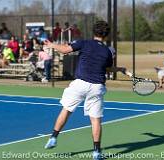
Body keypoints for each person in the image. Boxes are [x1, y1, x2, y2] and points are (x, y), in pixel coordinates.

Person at [44, 20, 127, 160]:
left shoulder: (84, 43)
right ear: (106, 36)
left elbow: (64, 50)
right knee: (95, 120)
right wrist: (119, 69)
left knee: (66, 110)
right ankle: (96, 152)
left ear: (94, 32)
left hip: (80, 84)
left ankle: (53, 137)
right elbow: (107, 68)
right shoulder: (107, 51)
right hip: (97, 87)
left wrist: (51, 44)